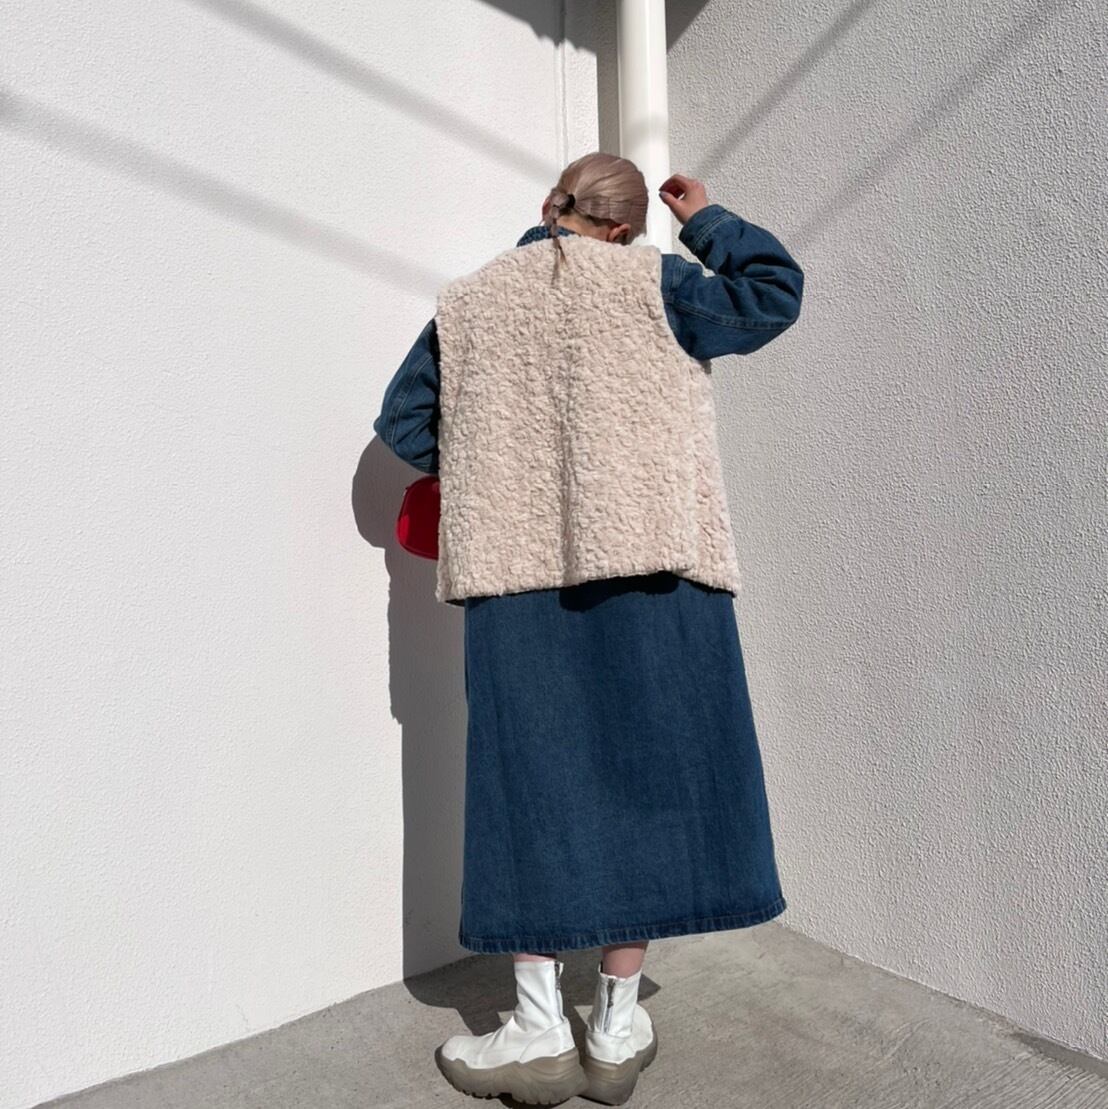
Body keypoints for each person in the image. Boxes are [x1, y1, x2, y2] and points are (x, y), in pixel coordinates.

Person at [373, 152, 804, 1105]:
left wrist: (497, 459)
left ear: (550, 206)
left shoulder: (471, 303)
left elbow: (404, 423)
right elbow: (773, 294)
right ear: (623, 229)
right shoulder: (656, 281)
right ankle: (614, 1024)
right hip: (656, 564)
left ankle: (534, 1025)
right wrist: (707, 220)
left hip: (516, 574)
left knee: (528, 783)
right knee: (647, 781)